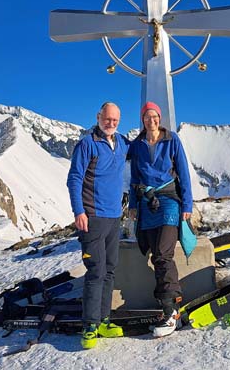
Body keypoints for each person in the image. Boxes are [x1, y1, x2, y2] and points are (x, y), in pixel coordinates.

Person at [66, 102, 129, 349]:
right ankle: (90, 326)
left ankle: (104, 320)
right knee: (95, 271)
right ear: (98, 117)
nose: (110, 123)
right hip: (92, 218)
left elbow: (144, 149)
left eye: (114, 120)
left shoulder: (122, 143)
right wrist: (79, 211)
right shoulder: (87, 144)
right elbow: (74, 179)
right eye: (107, 119)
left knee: (110, 269)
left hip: (114, 218)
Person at [128, 101, 193, 337]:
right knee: (156, 254)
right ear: (142, 120)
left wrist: (187, 204)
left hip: (168, 202)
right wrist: (134, 205)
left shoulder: (172, 139)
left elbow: (183, 172)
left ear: (160, 118)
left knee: (164, 253)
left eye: (154, 116)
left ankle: (170, 310)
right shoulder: (137, 145)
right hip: (146, 204)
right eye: (147, 117)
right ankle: (165, 307)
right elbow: (135, 176)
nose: (151, 120)